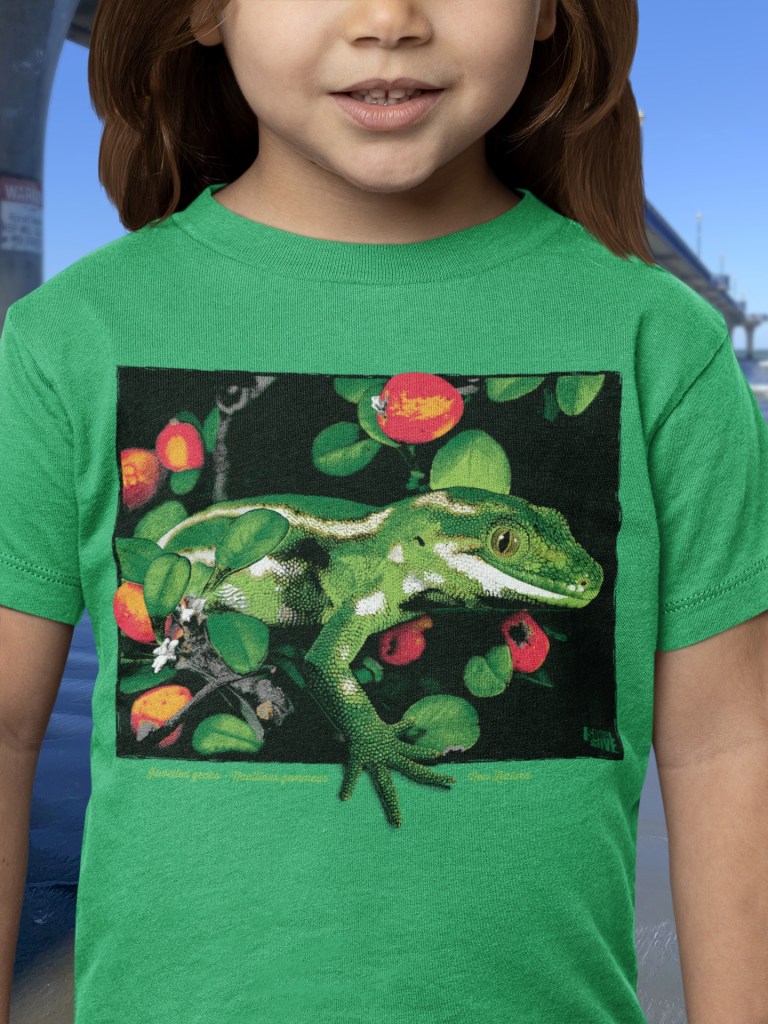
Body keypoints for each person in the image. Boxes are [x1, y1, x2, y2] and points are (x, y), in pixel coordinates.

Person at [0, 0, 766, 1022]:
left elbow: (727, 746)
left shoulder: (663, 342)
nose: (389, 17)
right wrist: (364, 734)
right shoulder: (69, 337)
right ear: (206, 12)